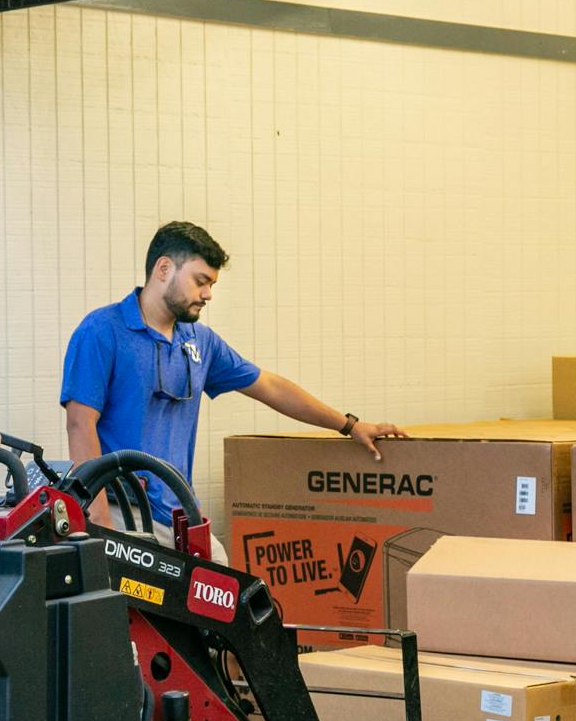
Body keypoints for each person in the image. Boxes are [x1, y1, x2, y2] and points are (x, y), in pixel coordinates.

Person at [62, 221, 405, 558]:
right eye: (201, 281)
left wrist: (348, 425)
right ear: (164, 269)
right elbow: (80, 425)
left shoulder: (200, 342)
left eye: (211, 284)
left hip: (180, 513)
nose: (208, 294)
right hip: (123, 513)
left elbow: (269, 386)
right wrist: (102, 529)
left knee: (224, 591)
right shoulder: (102, 331)